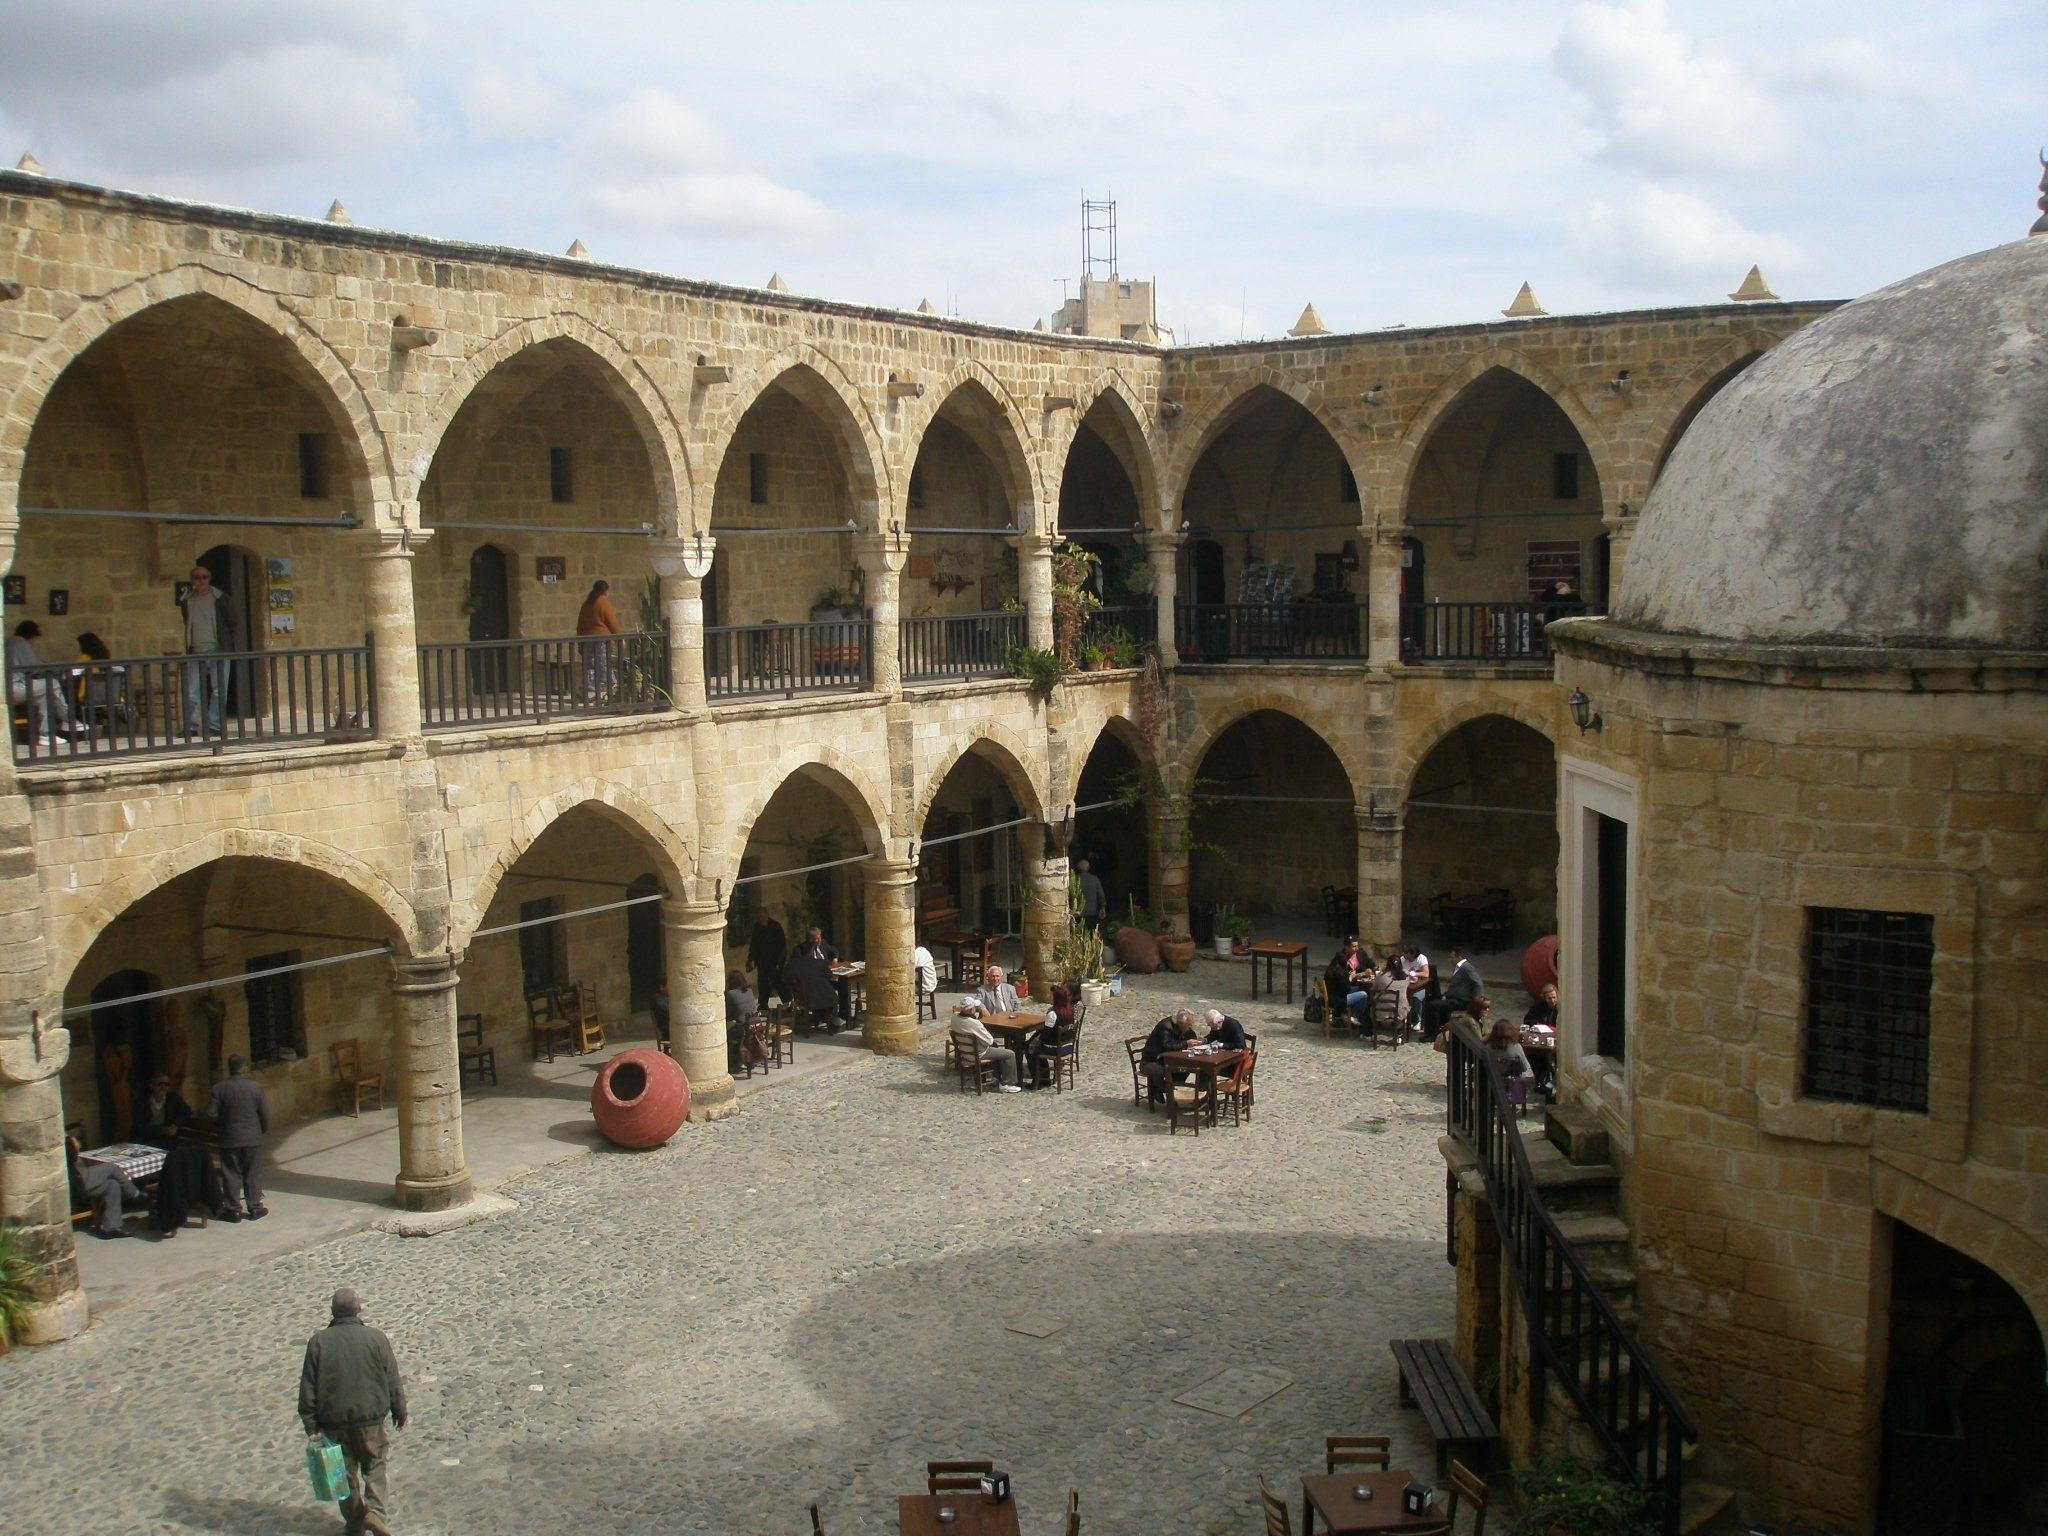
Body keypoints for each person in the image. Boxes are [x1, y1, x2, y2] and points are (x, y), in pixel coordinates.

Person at [298, 1287, 407, 1536]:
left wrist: (311, 1426)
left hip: (334, 1423)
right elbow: (392, 1379)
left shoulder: (318, 1342)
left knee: (344, 1474)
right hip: (370, 1420)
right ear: (359, 1309)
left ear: (333, 1313)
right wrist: (399, 1410)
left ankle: (355, 1520)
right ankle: (375, 1514)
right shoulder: (376, 1338)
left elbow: (308, 1387)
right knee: (376, 1464)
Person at [206, 1051, 269, 1221]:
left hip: (229, 1138)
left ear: (229, 1069)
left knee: (231, 1174)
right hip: (251, 1137)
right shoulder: (255, 1087)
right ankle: (255, 1206)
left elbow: (211, 1115)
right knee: (252, 1173)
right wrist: (260, 1131)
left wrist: (223, 1126)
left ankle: (233, 1209)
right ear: (245, 1068)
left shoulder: (219, 1089)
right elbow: (264, 1115)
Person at [179, 562, 235, 736]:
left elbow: (233, 620)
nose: (201, 580)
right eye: (197, 577)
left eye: (205, 577)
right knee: (191, 691)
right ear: (192, 580)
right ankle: (191, 727)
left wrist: (227, 642)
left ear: (209, 579)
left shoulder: (220, 598)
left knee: (219, 690)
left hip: (218, 650)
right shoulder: (187, 600)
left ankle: (214, 725)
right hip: (196, 650)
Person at [8, 620, 75, 745]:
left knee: (46, 695)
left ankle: (46, 734)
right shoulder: (20, 643)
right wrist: (56, 667)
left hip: (13, 686)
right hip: (15, 687)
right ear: (31, 636)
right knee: (52, 683)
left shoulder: (10, 642)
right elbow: (34, 666)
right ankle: (68, 720)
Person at [65, 1134, 143, 1239]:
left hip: (82, 1177)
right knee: (111, 1167)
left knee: (112, 1185)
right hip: (78, 1182)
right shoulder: (62, 1146)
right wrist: (72, 1143)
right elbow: (73, 1153)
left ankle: (112, 1228)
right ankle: (134, 1194)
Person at [782, 925, 844, 1032]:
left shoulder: (823, 944)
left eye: (820, 938)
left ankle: (842, 1014)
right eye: (817, 939)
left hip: (823, 978)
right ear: (810, 940)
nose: (819, 941)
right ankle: (827, 1017)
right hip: (809, 986)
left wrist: (834, 959)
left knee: (843, 984)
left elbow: (833, 951)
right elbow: (796, 970)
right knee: (829, 993)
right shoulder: (800, 951)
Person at [949, 1006, 1023, 1091]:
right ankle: (1008, 1084)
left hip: (964, 1052)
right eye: (974, 1008)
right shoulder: (975, 1023)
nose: (976, 1010)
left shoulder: (954, 1018)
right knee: (1010, 1054)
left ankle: (997, 1076)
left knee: (995, 1047)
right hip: (979, 1053)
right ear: (971, 1010)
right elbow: (989, 1041)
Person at [1139, 1009, 1200, 1105]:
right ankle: (1164, 1090)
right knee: (1163, 1071)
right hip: (1151, 1060)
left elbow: (1190, 1035)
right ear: (1180, 1023)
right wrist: (1186, 1043)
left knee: (1186, 1068)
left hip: (1167, 1060)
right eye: (1188, 1025)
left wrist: (1194, 1040)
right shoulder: (1166, 1027)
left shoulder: (1182, 1027)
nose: (1190, 1027)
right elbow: (1167, 1045)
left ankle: (1169, 1088)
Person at [575, 579, 622, 698]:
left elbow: (581, 624)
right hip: (602, 640)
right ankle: (611, 688)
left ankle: (589, 691)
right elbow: (612, 622)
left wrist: (580, 642)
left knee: (590, 665)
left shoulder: (586, 604)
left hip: (587, 640)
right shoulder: (603, 603)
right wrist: (620, 638)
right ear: (605, 591)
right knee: (603, 664)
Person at [1432, 946, 1481, 1039]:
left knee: (1434, 1005)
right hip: (1454, 997)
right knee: (1436, 1000)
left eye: (1452, 957)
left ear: (1459, 957)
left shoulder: (1466, 968)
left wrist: (1475, 1001)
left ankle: (1433, 1034)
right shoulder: (1459, 967)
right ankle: (1443, 1027)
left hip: (1462, 1000)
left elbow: (1477, 983)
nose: (1450, 960)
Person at [134, 1074, 193, 1147]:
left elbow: (186, 1112)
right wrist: (161, 1130)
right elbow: (139, 1126)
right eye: (160, 1084)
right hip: (146, 1138)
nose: (163, 1087)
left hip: (167, 1139)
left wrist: (175, 1126)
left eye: (166, 1085)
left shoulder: (173, 1098)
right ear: (152, 1086)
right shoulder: (142, 1101)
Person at [723, 971, 766, 1071]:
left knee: (725, 1036)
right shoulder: (749, 991)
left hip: (744, 1029)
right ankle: (745, 1059)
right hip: (756, 1027)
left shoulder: (730, 994)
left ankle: (734, 1063)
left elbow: (728, 1014)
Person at [1325, 938, 1371, 1029]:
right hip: (1338, 999)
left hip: (1335, 994)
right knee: (1364, 994)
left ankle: (1350, 1015)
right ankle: (1354, 1016)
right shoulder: (1338, 973)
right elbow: (1346, 988)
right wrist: (1350, 977)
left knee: (1362, 988)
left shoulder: (1333, 968)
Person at [748, 910, 787, 1007]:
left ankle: (787, 1002)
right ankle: (763, 1004)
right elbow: (754, 945)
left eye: (761, 916)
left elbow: (781, 945)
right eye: (758, 917)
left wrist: (779, 961)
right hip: (762, 960)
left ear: (766, 915)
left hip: (774, 960)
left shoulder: (775, 926)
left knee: (777, 982)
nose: (760, 919)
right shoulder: (757, 927)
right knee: (762, 983)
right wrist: (751, 959)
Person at [1073, 857, 1107, 931]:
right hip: (1092, 912)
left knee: (1078, 934)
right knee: (1091, 934)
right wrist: (1102, 908)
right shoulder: (1094, 879)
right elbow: (1101, 895)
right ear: (1088, 867)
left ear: (1077, 867)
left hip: (1078, 913)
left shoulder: (1074, 879)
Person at [912, 942, 938, 1013]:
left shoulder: (917, 953)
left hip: (922, 986)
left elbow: (911, 966)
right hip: (932, 982)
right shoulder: (923, 951)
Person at [649, 979, 671, 1050]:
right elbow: (666, 1010)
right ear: (662, 987)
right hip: (667, 1031)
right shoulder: (658, 998)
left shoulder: (665, 997)